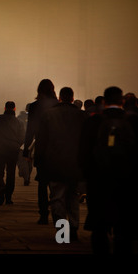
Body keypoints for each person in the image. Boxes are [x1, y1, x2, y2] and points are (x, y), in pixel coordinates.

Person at [79, 86, 138, 254]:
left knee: (99, 227)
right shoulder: (133, 121)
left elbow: (83, 153)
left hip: (99, 182)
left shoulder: (93, 121)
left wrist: (86, 177)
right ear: (122, 102)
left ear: (104, 102)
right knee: (124, 227)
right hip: (127, 182)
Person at [34, 87, 86, 241]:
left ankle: (62, 231)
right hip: (75, 163)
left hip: (54, 162)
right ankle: (74, 226)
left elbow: (41, 141)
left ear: (60, 98)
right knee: (73, 197)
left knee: (58, 197)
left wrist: (39, 160)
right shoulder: (82, 115)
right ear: (72, 98)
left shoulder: (49, 115)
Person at [23, 79, 58, 224]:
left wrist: (26, 149)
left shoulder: (35, 106)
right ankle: (57, 211)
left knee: (42, 182)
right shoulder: (57, 105)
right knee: (56, 183)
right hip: (57, 147)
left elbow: (30, 129)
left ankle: (43, 213)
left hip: (42, 146)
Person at [0, 101, 25, 205]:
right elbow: (22, 137)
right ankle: (8, 197)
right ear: (14, 109)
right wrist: (16, 145)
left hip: (0, 149)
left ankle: (1, 186)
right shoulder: (18, 122)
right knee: (11, 173)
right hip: (13, 150)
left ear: (5, 108)